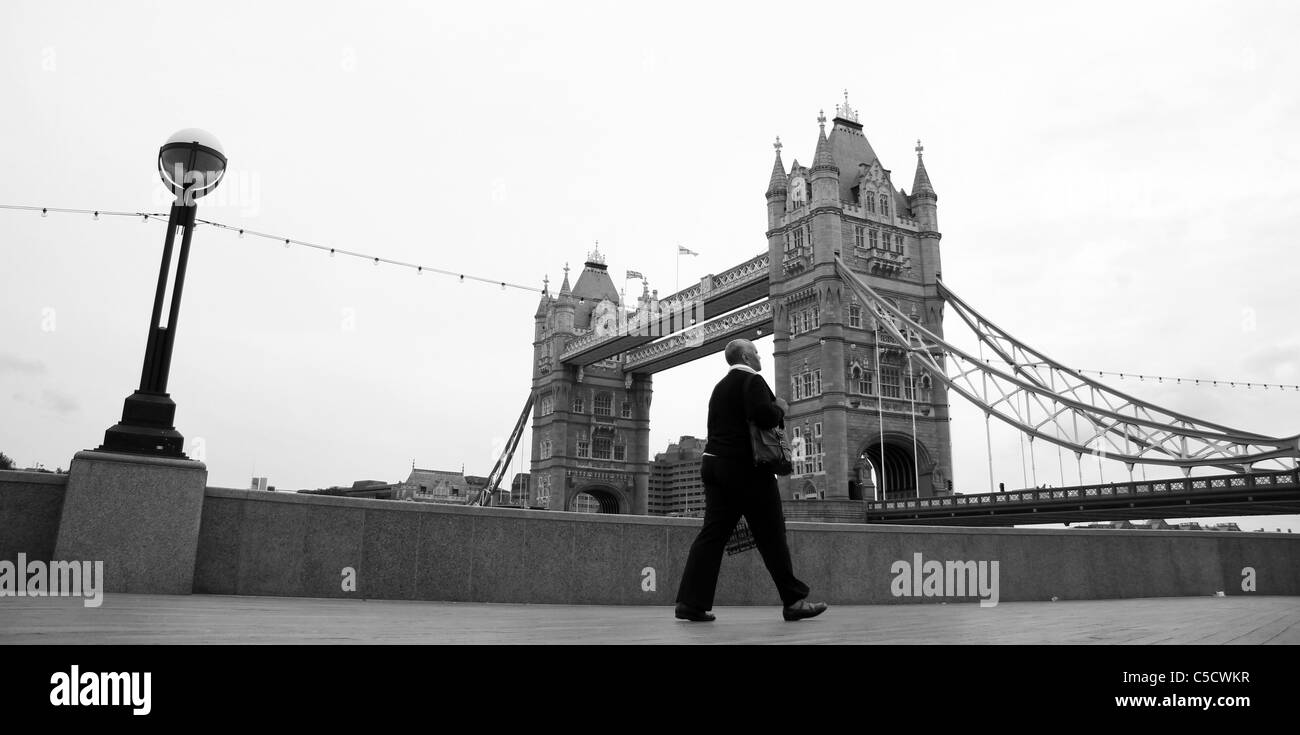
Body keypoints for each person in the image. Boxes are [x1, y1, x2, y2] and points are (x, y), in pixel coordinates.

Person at [674, 338, 829, 623]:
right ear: (745, 357)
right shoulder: (753, 381)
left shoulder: (719, 388)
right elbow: (764, 417)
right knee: (771, 534)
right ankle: (794, 602)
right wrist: (779, 407)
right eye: (756, 352)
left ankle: (690, 603)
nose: (760, 357)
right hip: (746, 468)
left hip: (714, 464)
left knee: (712, 536)